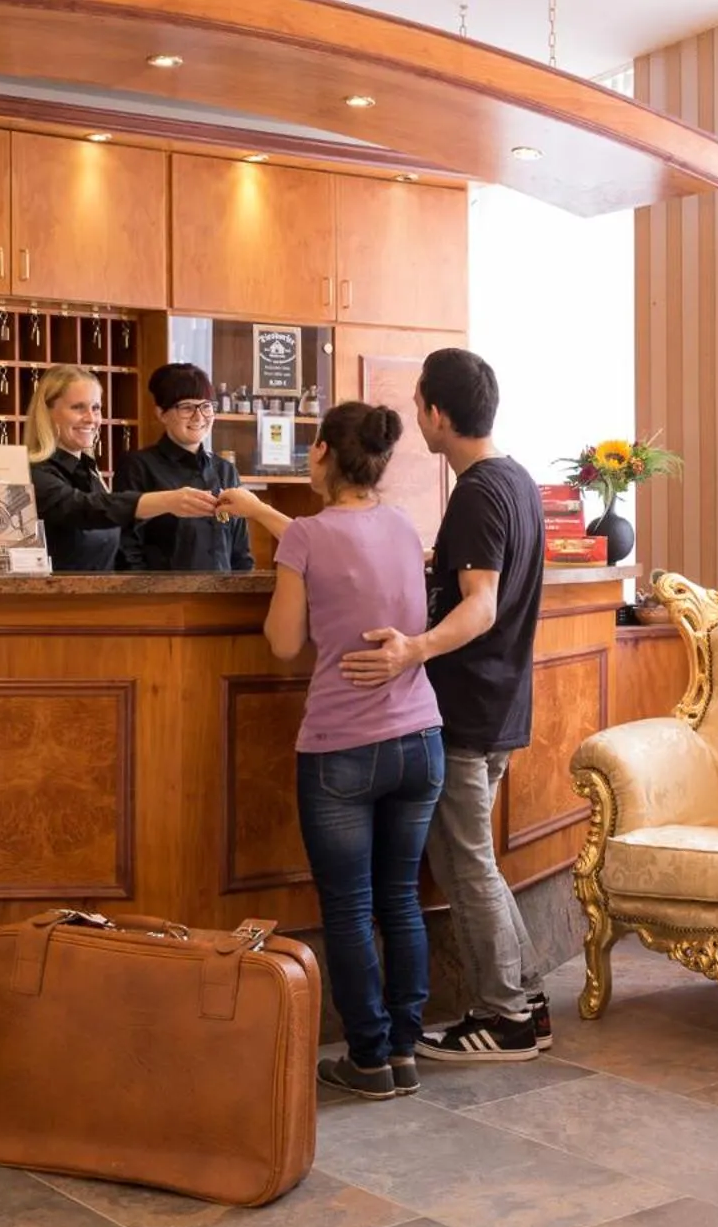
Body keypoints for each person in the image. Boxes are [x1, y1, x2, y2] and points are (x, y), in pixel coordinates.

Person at [220, 402, 444, 1100]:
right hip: (420, 739)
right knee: (400, 899)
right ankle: (404, 1049)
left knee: (349, 909)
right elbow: (333, 545)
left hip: (342, 749)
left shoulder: (309, 540)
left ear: (318, 453)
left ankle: (367, 1057)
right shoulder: (404, 526)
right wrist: (261, 513)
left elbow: (284, 641)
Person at [340, 349, 549, 1062]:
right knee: (475, 859)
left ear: (435, 413)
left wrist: (414, 648)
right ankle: (525, 997)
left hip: (470, 706)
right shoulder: (515, 480)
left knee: (467, 865)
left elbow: (481, 606)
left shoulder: (479, 492)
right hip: (500, 704)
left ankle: (505, 1012)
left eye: (419, 403)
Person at [25, 366, 219, 571]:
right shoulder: (34, 474)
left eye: (96, 408)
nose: (91, 418)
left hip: (101, 600)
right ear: (47, 413)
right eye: (78, 407)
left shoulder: (90, 474)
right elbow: (83, 508)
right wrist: (167, 501)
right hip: (53, 601)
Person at [113, 363, 254, 572]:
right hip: (163, 599)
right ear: (161, 413)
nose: (199, 417)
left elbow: (240, 551)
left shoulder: (225, 470)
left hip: (224, 597)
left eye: (206, 406)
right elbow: (126, 548)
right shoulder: (137, 466)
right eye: (187, 407)